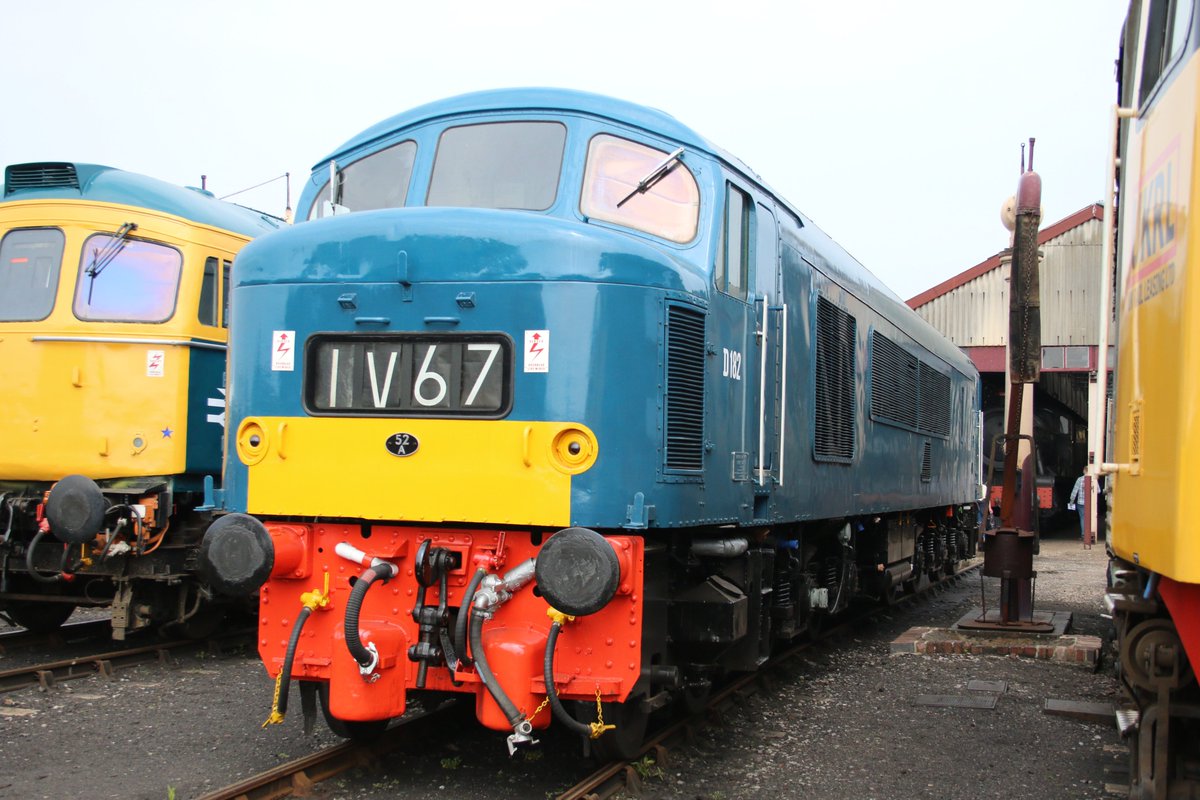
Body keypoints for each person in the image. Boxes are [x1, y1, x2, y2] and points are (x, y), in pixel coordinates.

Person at [1068, 472, 1086, 540]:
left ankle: (1083, 535)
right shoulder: (1094, 479)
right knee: (1090, 518)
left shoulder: (1080, 479)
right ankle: (1090, 534)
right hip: (1090, 504)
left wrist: (1071, 501)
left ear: (1084, 471)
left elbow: (1075, 491)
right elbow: (1098, 491)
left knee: (1082, 518)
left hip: (1080, 503)